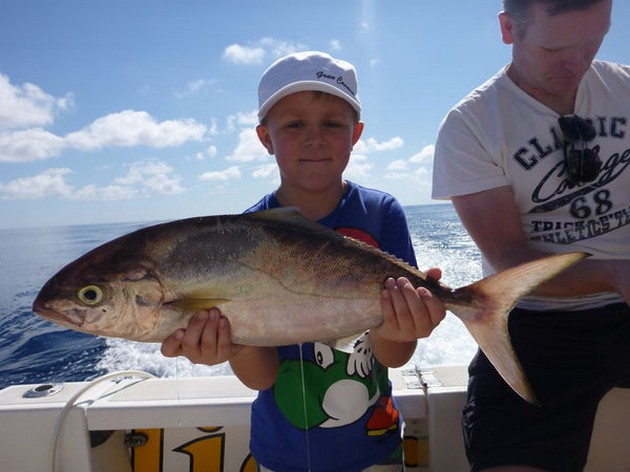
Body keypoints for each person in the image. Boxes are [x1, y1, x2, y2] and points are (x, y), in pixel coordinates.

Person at [162, 51, 446, 471]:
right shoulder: (244, 237)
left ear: (356, 134)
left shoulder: (382, 213)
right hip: (280, 452)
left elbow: (393, 356)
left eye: (332, 123)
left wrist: (405, 325)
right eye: (294, 124)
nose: (315, 138)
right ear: (265, 138)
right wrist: (230, 343)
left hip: (375, 446)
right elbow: (261, 378)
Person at [432, 1, 630, 471]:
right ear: (507, 29)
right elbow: (509, 256)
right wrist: (616, 273)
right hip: (535, 322)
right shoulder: (472, 125)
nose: (577, 63)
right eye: (556, 47)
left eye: (593, 41)